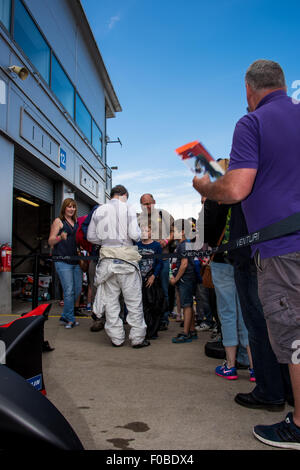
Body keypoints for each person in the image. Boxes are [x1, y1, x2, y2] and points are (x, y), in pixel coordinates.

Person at [193, 59, 300, 449]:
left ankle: (297, 422)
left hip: (281, 248)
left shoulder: (251, 123)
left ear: (249, 89)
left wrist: (205, 187)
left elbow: (236, 189)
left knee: (289, 333)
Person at [228, 203, 293, 410]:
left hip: (253, 256)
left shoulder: (247, 175)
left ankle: (269, 391)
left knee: (259, 327)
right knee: (282, 323)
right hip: (275, 250)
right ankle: (289, 389)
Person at [87, 184, 149, 348]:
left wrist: (107, 241)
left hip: (107, 261)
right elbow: (135, 235)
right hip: (126, 260)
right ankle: (137, 339)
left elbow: (91, 237)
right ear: (123, 195)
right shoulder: (128, 208)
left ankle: (116, 338)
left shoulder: (99, 210)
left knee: (111, 302)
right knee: (133, 301)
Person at [138, 194, 175, 330]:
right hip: (144, 262)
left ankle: (164, 319)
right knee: (145, 291)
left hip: (163, 259)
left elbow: (175, 231)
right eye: (144, 204)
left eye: (149, 203)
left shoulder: (164, 215)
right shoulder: (138, 218)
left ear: (154, 202)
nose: (147, 206)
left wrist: (166, 241)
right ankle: (147, 319)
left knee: (163, 290)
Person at [48, 198, 82, 329]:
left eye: (73, 207)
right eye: (69, 207)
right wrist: (59, 237)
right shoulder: (58, 221)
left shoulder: (76, 222)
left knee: (77, 289)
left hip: (74, 261)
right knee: (69, 291)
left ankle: (65, 315)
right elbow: (50, 241)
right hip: (62, 261)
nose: (71, 209)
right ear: (64, 208)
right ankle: (70, 319)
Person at [169, 219, 198, 343]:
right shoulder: (183, 244)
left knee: (186, 305)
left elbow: (184, 264)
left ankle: (185, 333)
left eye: (173, 230)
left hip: (186, 278)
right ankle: (192, 330)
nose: (172, 233)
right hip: (187, 278)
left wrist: (176, 279)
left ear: (182, 232)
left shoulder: (184, 245)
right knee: (189, 304)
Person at [137, 224, 164, 339]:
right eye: (142, 230)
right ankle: (143, 329)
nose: (144, 232)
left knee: (152, 304)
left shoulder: (156, 245)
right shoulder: (136, 245)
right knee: (141, 306)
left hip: (151, 280)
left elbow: (159, 262)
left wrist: (154, 275)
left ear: (150, 232)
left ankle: (153, 330)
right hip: (139, 279)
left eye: (146, 230)